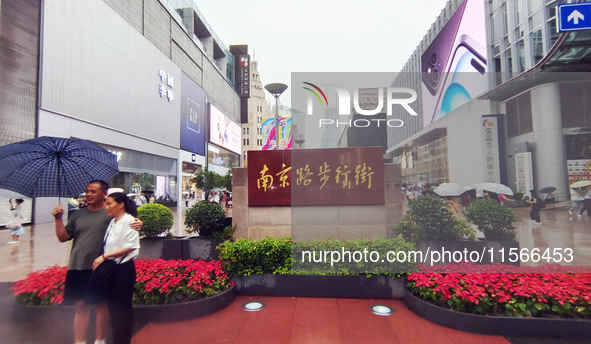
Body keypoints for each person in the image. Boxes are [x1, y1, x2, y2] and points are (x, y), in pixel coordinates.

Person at [52, 180, 142, 344]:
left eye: (93, 191)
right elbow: (63, 237)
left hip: (100, 267)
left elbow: (128, 225)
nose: (88, 194)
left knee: (101, 304)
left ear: (104, 194)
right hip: (77, 265)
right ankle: (80, 341)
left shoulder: (110, 214)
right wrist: (58, 218)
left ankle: (100, 340)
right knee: (80, 305)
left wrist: (139, 222)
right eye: (87, 191)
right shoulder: (78, 214)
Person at [92, 192, 140, 344]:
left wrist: (105, 256)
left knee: (122, 309)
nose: (106, 207)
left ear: (121, 205)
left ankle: (122, 340)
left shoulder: (130, 221)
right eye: (106, 204)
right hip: (111, 268)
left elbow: (131, 246)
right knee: (112, 307)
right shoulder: (112, 222)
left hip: (123, 269)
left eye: (109, 203)